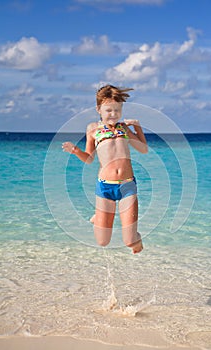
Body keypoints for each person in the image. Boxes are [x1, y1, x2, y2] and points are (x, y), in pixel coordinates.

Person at [62, 85, 148, 254]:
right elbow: (89, 159)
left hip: (127, 186)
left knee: (130, 241)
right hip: (105, 187)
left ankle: (136, 239)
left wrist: (137, 127)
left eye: (117, 110)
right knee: (102, 242)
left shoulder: (124, 128)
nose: (113, 114)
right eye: (109, 110)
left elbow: (143, 149)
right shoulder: (93, 129)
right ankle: (98, 217)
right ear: (98, 109)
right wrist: (75, 151)